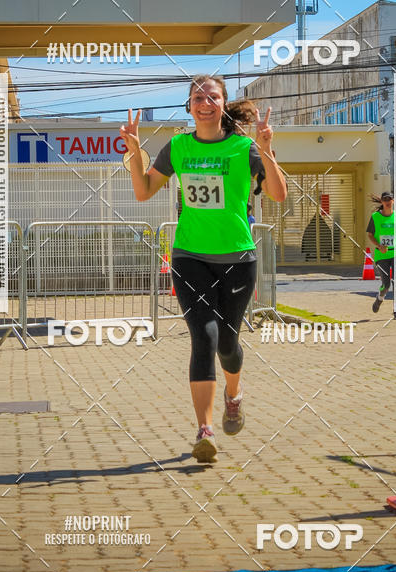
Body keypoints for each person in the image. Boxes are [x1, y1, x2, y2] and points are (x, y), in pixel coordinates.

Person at [120, 75, 287, 463]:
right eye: (198, 97)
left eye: (213, 96)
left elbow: (278, 194)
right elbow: (143, 191)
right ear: (189, 106)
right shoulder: (177, 147)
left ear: (223, 104)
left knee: (228, 344)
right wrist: (134, 152)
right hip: (189, 256)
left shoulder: (245, 148)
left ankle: (234, 395)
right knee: (204, 338)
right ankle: (204, 430)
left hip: (237, 259)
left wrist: (267, 150)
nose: (205, 102)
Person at [366, 192, 396, 319]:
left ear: (393, 201)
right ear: (382, 202)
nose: (387, 201)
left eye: (389, 199)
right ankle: (380, 298)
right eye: (385, 199)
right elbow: (370, 234)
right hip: (382, 255)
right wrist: (379, 246)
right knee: (386, 284)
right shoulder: (375, 217)